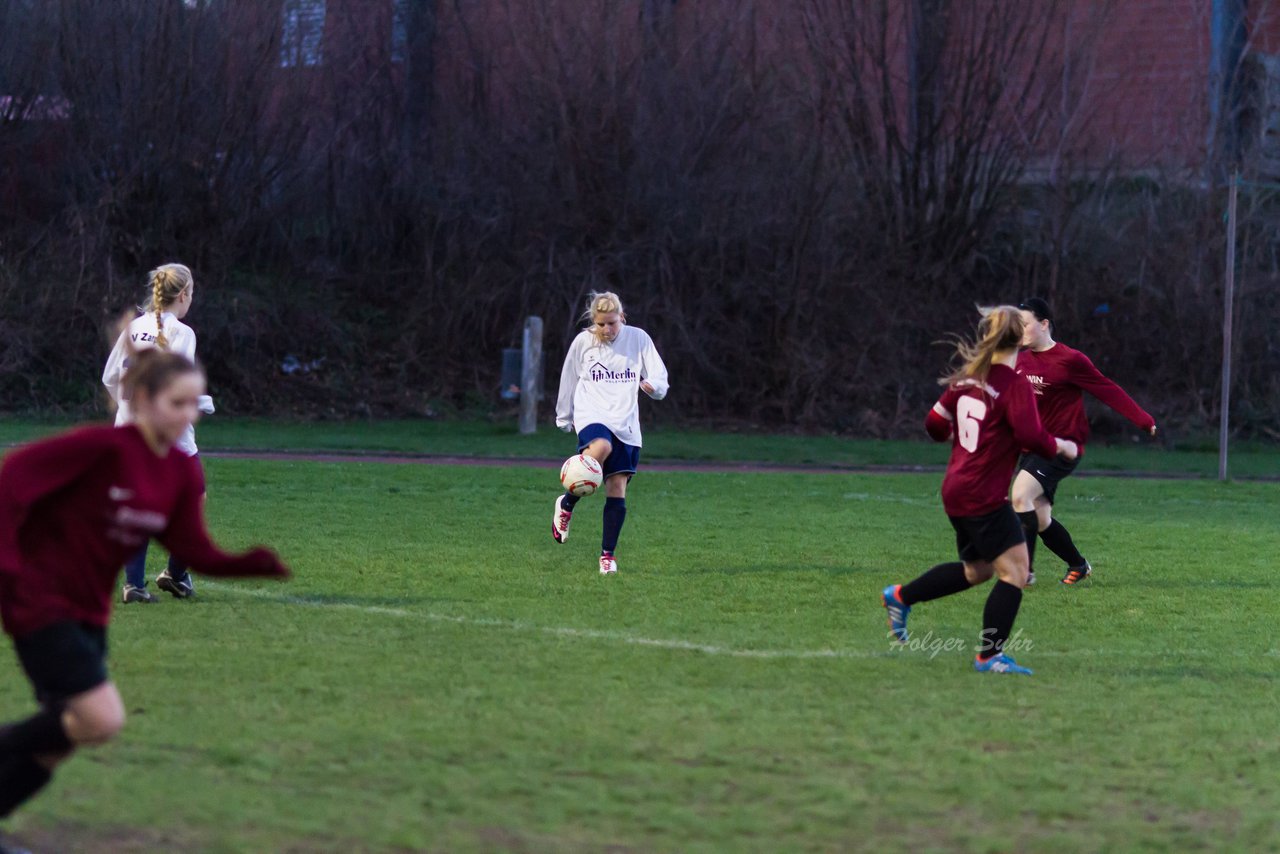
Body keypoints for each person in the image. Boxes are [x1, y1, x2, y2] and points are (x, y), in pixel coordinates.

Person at [0, 347, 289, 835]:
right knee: (101, 719)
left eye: (193, 405)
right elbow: (11, 482)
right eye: (177, 403)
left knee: (62, 738)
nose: (187, 414)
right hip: (38, 600)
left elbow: (190, 545)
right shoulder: (101, 449)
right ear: (144, 400)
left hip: (90, 614)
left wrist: (247, 564)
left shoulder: (176, 473)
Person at [881, 306, 1078, 675]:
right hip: (982, 495)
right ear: (1018, 337)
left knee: (978, 571)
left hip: (956, 489)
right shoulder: (1012, 383)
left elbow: (933, 425)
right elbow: (1031, 437)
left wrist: (960, 437)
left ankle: (901, 596)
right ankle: (989, 656)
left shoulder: (968, 378)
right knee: (1016, 572)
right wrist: (1063, 447)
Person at [1012, 297, 1157, 585]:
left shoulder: (1070, 360)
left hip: (1063, 447)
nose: (1020, 330)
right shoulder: (1019, 359)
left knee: (1020, 496)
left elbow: (1108, 390)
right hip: (1032, 448)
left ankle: (1023, 572)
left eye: (1025, 324)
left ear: (1044, 324)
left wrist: (1143, 419)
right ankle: (1078, 565)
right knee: (1039, 519)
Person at [102, 263, 216, 603]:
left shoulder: (133, 327)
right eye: (191, 293)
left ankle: (134, 585)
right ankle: (176, 576)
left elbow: (110, 377)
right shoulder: (182, 333)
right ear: (183, 295)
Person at [551, 291, 669, 574]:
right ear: (594, 321)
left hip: (626, 422)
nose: (606, 330)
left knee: (616, 490)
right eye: (601, 324)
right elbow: (568, 378)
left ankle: (607, 556)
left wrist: (654, 387)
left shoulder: (638, 338)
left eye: (612, 323)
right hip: (592, 414)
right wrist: (564, 416)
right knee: (600, 447)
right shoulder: (584, 343)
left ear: (622, 318)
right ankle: (567, 504)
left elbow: (659, 375)